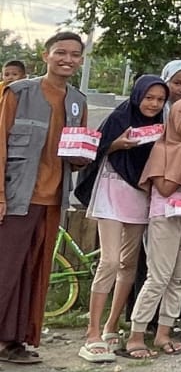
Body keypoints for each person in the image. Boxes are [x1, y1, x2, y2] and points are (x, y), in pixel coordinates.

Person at [0, 32, 89, 365]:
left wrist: (84, 156)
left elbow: (77, 153)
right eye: (60, 52)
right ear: (46, 55)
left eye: (75, 54)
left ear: (81, 60)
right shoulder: (18, 93)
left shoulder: (77, 100)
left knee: (34, 273)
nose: (67, 59)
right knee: (6, 270)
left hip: (53, 201)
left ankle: (15, 342)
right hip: (16, 196)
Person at [74, 75, 169, 363]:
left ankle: (111, 325)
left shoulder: (162, 125)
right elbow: (93, 150)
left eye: (159, 99)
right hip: (112, 190)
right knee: (110, 261)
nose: (153, 103)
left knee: (129, 263)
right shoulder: (119, 117)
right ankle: (91, 332)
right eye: (149, 97)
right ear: (137, 95)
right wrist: (117, 145)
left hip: (141, 193)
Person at [122, 98, 181, 359]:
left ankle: (164, 332)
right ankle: (136, 335)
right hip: (165, 217)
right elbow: (164, 188)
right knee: (159, 277)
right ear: (173, 121)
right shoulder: (163, 149)